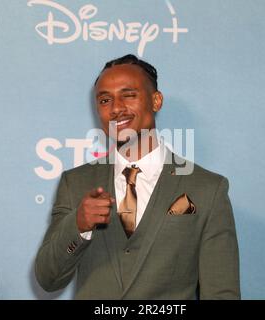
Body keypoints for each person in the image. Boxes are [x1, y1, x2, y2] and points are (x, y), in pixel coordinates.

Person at [35, 54, 240, 299]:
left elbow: (221, 293)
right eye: (104, 100)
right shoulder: (75, 183)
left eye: (128, 95)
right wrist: (78, 225)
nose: (116, 108)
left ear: (156, 101)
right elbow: (48, 278)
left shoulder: (208, 188)